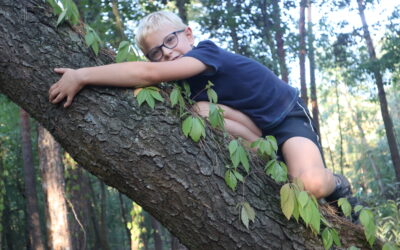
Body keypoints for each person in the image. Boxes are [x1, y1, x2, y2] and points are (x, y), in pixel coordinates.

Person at [48, 11, 354, 207]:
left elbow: (146, 74)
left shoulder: (206, 52)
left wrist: (82, 75)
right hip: (255, 131)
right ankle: (277, 163)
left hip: (285, 117)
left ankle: (339, 182)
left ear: (189, 34)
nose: (166, 53)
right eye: (155, 52)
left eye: (170, 40)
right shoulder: (180, 85)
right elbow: (145, 80)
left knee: (310, 185)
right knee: (200, 111)